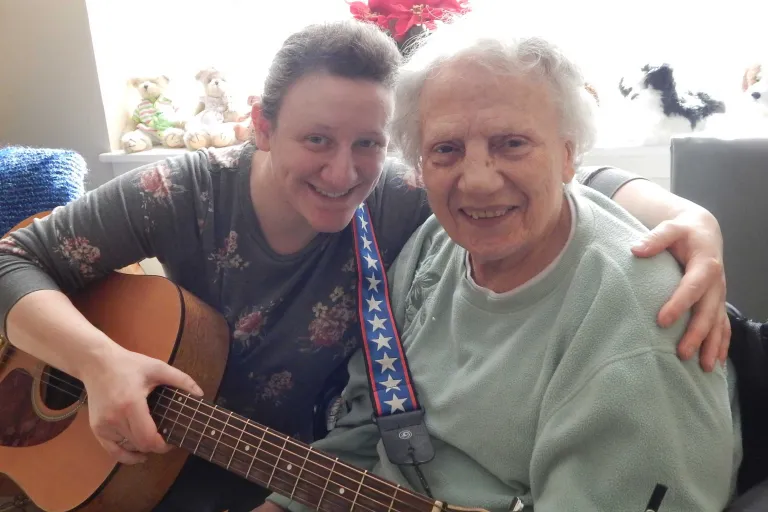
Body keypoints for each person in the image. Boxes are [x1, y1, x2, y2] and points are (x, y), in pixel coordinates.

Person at [0, 19, 730, 512]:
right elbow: (14, 259)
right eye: (315, 139)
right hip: (167, 458)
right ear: (261, 124)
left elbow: (561, 176)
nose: (343, 173)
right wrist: (97, 362)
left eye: (369, 146)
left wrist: (688, 216)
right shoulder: (181, 191)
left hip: (282, 469)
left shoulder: (404, 208)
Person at [261, 16, 741, 512]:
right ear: (420, 167)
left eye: (511, 143)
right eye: (446, 149)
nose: (479, 181)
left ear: (567, 155)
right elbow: (367, 426)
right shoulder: (435, 246)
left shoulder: (641, 333)